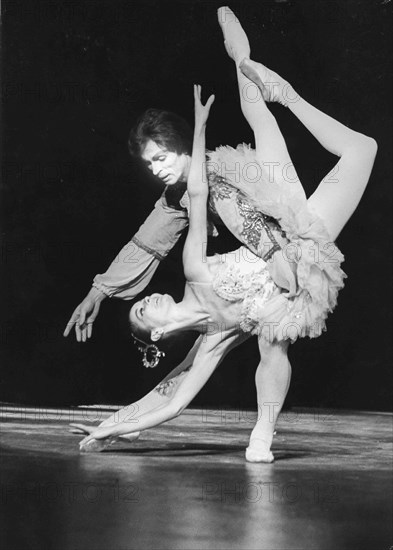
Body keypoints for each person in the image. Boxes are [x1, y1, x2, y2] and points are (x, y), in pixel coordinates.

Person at [72, 7, 377, 461]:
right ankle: (263, 434)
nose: (158, 169)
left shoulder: (195, 260)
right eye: (150, 164)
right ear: (154, 335)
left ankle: (253, 67)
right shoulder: (207, 339)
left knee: (264, 120)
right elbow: (171, 395)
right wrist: (113, 426)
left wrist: (199, 132)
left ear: (176, 145)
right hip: (294, 255)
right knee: (274, 339)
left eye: (162, 157)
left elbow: (202, 195)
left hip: (273, 211)